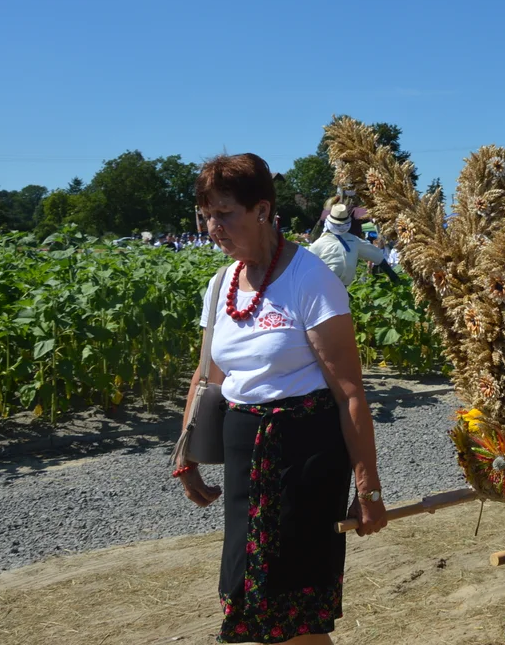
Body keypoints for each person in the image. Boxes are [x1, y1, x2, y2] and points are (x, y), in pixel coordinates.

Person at [177, 153, 388, 645]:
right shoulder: (222, 284)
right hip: (243, 456)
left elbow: (350, 393)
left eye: (225, 213)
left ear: (263, 209)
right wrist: (185, 455)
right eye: (205, 215)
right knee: (247, 601)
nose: (213, 227)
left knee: (294, 618)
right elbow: (206, 378)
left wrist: (369, 488)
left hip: (304, 459)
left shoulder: (309, 278)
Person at [309, 204, 399, 288]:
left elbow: (375, 254)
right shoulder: (319, 244)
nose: (342, 227)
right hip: (325, 287)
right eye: (338, 224)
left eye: (343, 224)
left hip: (344, 287)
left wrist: (391, 274)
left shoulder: (352, 239)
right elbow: (307, 266)